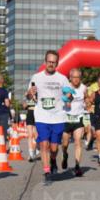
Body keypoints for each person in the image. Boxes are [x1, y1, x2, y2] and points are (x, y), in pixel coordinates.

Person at [28, 50, 71, 181]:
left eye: (53, 62)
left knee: (53, 148)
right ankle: (46, 171)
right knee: (43, 144)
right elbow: (30, 94)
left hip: (58, 116)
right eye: (49, 62)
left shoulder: (62, 78)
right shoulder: (36, 77)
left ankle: (53, 160)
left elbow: (69, 94)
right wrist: (31, 92)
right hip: (42, 115)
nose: (51, 64)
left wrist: (68, 96)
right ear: (45, 62)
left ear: (57, 63)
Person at [60, 68, 88, 176]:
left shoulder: (84, 88)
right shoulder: (65, 88)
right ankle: (65, 154)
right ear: (70, 78)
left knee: (78, 142)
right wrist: (66, 100)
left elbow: (87, 100)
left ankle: (77, 166)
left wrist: (88, 101)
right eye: (74, 77)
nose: (76, 79)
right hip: (66, 118)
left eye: (78, 77)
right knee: (65, 144)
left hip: (78, 118)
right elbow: (61, 100)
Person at [25, 85, 38, 161]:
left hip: (37, 115)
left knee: (36, 135)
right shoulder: (28, 96)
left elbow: (38, 103)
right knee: (30, 135)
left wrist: (34, 97)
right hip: (30, 114)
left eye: (34, 89)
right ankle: (31, 153)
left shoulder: (38, 95)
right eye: (31, 89)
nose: (33, 90)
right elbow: (25, 105)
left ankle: (35, 149)